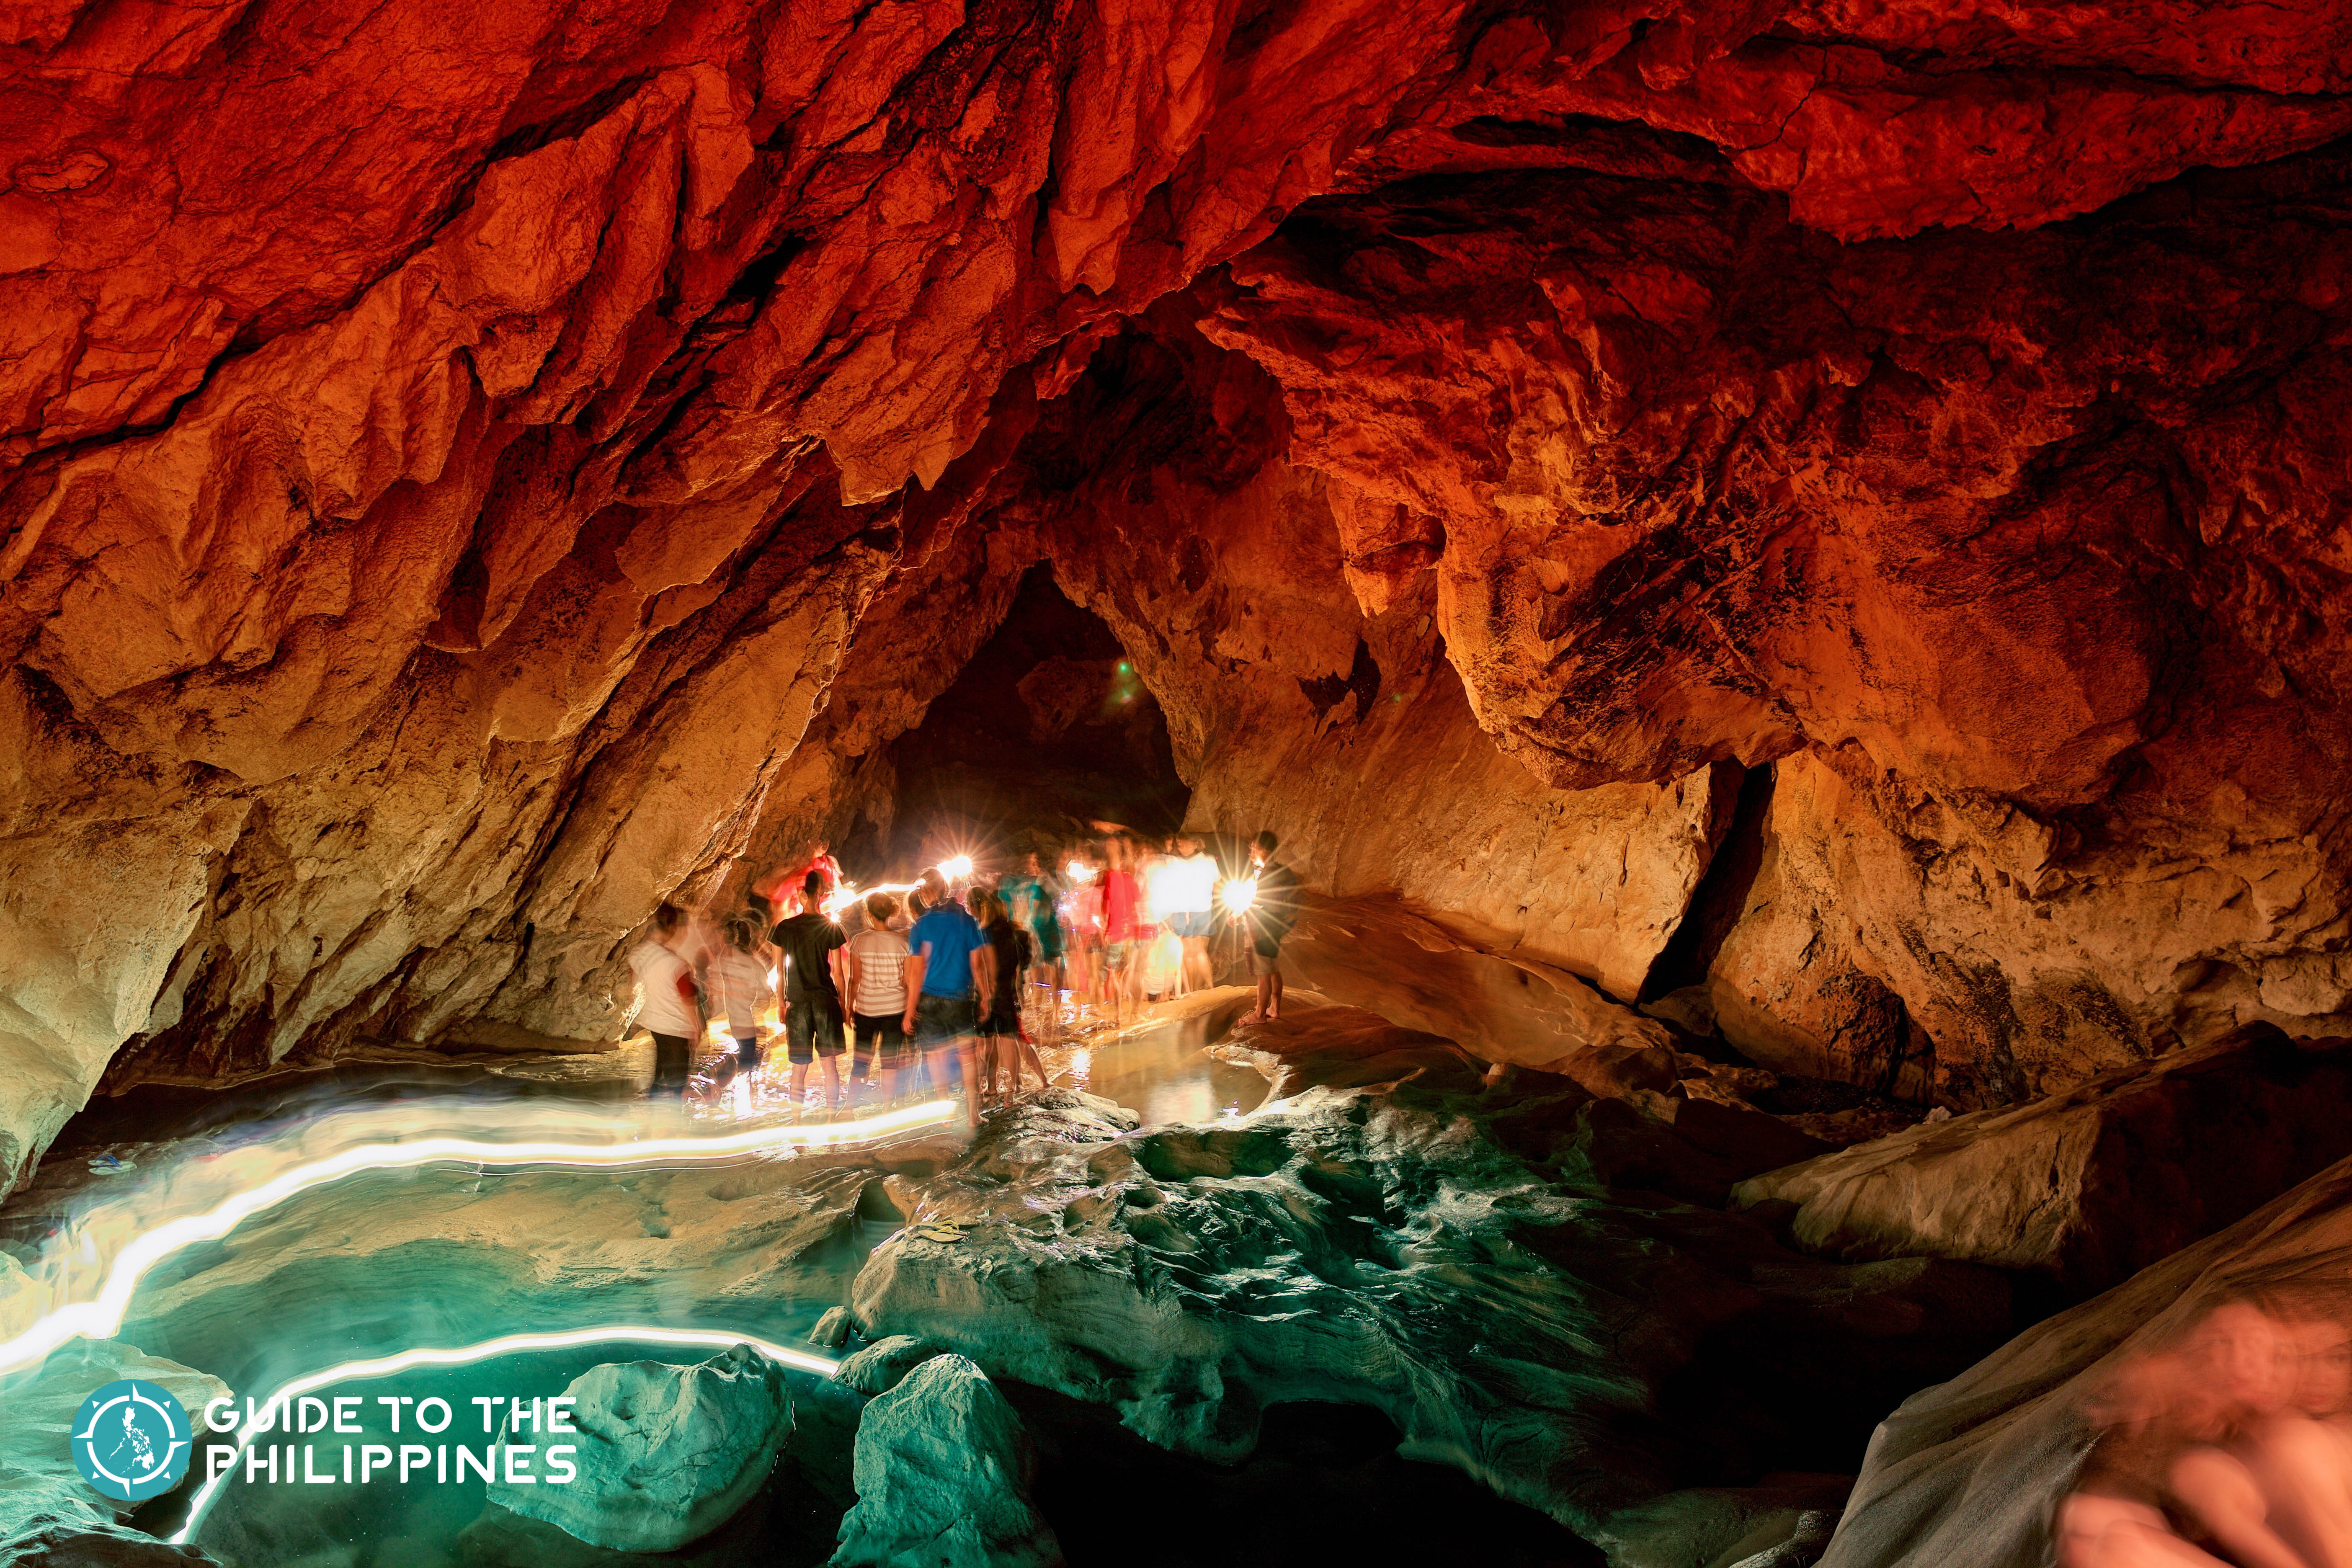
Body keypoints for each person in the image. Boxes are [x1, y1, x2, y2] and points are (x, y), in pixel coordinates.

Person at [904, 869, 988, 1130]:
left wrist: (910, 1010)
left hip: (930, 999)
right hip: (961, 998)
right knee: (967, 1057)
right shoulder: (967, 921)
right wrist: (985, 996)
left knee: (937, 1059)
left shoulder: (922, 925)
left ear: (926, 893)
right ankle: (973, 1116)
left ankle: (945, 1117)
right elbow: (978, 964)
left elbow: (917, 971)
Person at [769, 870, 849, 1112]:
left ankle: (796, 1123)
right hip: (825, 1001)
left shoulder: (785, 928)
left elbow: (779, 971)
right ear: (821, 893)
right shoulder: (830, 926)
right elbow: (838, 973)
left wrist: (781, 1004)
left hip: (799, 1003)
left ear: (803, 895)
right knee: (830, 1066)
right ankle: (830, 1120)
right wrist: (844, 1004)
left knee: (799, 1068)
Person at [973, 887, 1044, 1109]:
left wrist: (984, 992)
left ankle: (985, 1088)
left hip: (986, 992)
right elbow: (1023, 964)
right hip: (1008, 992)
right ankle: (1013, 1089)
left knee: (986, 1045)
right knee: (1010, 1039)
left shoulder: (982, 934)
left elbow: (981, 966)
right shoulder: (1016, 933)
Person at [628, 902, 704, 1097]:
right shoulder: (676, 965)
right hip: (675, 1029)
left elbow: (636, 981)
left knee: (660, 1078)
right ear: (672, 927)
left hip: (655, 1025)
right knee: (675, 1085)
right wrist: (695, 1029)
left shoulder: (639, 954)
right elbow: (688, 1001)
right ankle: (673, 1122)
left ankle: (652, 1120)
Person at [845, 891, 913, 1105]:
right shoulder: (903, 942)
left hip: (867, 1009)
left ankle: (848, 1108)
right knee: (890, 1062)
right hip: (896, 1009)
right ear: (890, 912)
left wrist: (848, 1007)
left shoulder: (859, 941)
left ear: (868, 914)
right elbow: (909, 980)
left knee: (861, 1062)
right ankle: (887, 1108)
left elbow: (855, 980)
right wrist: (910, 1013)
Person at [1239, 830, 1299, 1024]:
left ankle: (1259, 1015)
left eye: (1253, 848)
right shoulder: (1281, 871)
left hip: (1264, 929)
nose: (1250, 851)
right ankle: (1275, 1008)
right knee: (1273, 969)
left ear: (1263, 850)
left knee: (1263, 973)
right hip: (1276, 929)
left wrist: (1247, 920)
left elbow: (1261, 905)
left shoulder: (1267, 874)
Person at [704, 912, 775, 1074]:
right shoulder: (754, 964)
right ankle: (748, 1088)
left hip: (733, 1017)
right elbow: (766, 995)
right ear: (748, 939)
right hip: (747, 1020)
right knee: (749, 1061)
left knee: (744, 1055)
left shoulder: (724, 959)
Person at [1003, 852, 1065, 1029]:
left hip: (1046, 933)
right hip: (1035, 933)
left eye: (1036, 862)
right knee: (1035, 975)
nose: (1034, 865)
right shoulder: (1022, 884)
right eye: (1031, 863)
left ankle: (1055, 1011)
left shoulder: (1041, 883)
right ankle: (1038, 1012)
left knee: (1049, 974)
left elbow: (1058, 897)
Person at [1164, 834, 1217, 992]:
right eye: (1179, 845)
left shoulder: (1177, 863)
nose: (1181, 849)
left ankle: (1192, 990)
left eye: (1184, 845)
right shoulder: (1209, 860)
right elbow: (1217, 880)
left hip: (1186, 911)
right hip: (1206, 910)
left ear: (1195, 845)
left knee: (1189, 954)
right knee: (1200, 951)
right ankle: (1209, 986)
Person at [1100, 837, 1141, 1021]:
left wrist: (1105, 931)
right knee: (1127, 973)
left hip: (1116, 933)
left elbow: (1107, 908)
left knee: (1115, 975)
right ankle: (1134, 1014)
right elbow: (1136, 906)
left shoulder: (1112, 878)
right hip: (1130, 933)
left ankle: (1118, 1015)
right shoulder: (1131, 880)